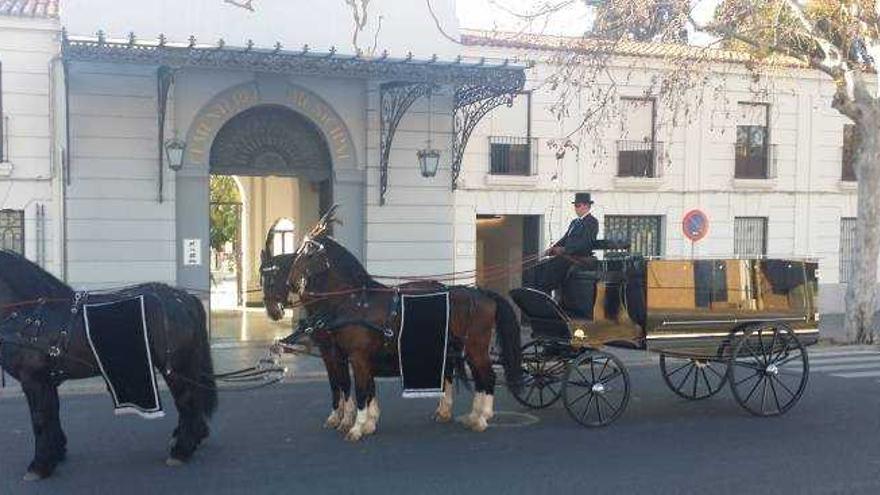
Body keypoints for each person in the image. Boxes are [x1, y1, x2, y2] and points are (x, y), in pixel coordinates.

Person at [525, 192, 599, 293]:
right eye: (575, 206)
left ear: (587, 206)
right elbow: (565, 238)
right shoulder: (574, 222)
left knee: (551, 268)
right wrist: (553, 248)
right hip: (567, 255)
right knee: (540, 265)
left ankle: (545, 292)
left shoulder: (592, 222)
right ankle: (537, 291)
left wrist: (564, 249)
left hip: (578, 258)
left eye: (578, 205)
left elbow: (584, 242)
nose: (576, 208)